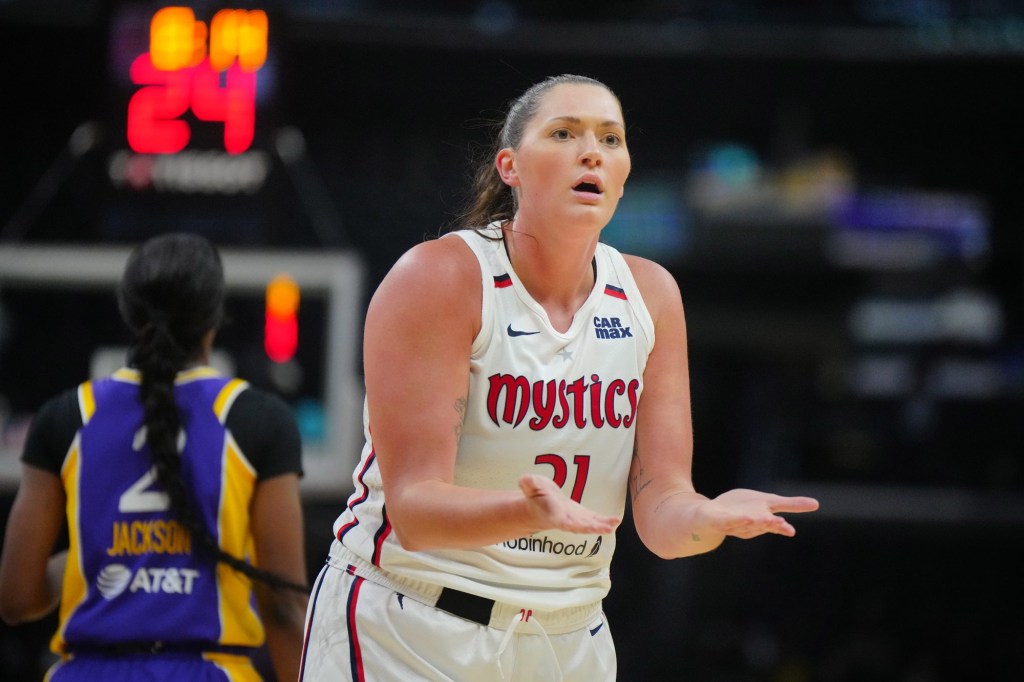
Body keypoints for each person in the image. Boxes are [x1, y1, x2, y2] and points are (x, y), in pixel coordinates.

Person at [298, 74, 820, 682]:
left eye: (611, 138)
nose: (591, 151)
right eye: (564, 133)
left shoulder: (649, 295)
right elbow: (415, 511)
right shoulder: (441, 277)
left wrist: (706, 520)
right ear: (510, 167)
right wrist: (528, 513)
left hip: (566, 637)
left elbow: (661, 512)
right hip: (412, 623)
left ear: (623, 175)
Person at [0, 232, 309, 681]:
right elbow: (283, 607)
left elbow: (16, 598)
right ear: (214, 318)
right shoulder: (258, 419)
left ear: (128, 312)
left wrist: (101, 551)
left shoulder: (64, 416)